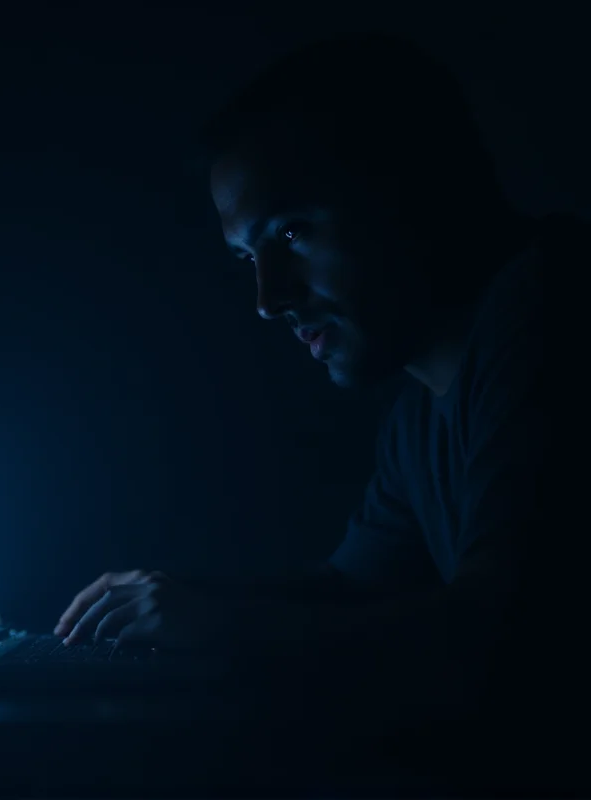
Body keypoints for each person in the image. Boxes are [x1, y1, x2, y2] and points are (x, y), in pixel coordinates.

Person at [54, 33, 583, 756]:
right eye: (248, 259)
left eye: (293, 231)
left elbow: (499, 643)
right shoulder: (419, 410)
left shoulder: (554, 308)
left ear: (416, 184)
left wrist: (219, 623)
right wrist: (178, 599)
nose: (269, 298)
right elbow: (354, 589)